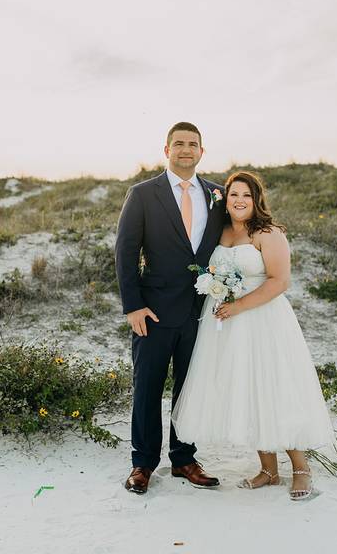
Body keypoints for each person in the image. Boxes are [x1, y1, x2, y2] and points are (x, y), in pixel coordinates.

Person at [171, 171, 333, 500]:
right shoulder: (222, 231)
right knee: (248, 391)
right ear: (225, 200)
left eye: (246, 195)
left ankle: (301, 470)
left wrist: (240, 305)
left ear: (256, 199)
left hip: (262, 319)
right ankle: (269, 470)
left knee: (274, 389)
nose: (239, 201)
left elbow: (279, 281)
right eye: (233, 195)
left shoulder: (267, 232)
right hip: (228, 325)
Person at [114, 122, 226, 494]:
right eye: (178, 144)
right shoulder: (143, 193)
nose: (185, 150)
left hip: (199, 310)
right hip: (154, 311)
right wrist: (133, 306)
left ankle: (184, 458)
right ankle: (142, 463)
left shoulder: (217, 195)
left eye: (192, 144)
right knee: (146, 387)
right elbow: (126, 251)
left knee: (189, 387)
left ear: (201, 152)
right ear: (167, 150)